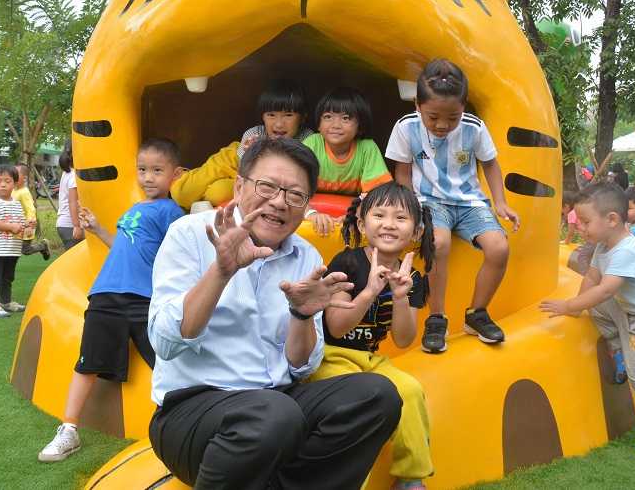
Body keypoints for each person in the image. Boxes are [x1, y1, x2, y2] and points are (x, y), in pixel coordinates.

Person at [144, 137, 401, 489]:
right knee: (274, 414)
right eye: (267, 186)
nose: (279, 202)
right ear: (239, 186)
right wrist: (221, 273)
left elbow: (302, 367)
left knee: (377, 395)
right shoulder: (190, 234)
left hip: (279, 407)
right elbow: (165, 342)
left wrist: (301, 316)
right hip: (193, 412)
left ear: (306, 204)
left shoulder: (306, 256)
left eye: (295, 195)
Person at [38, 138, 185, 463]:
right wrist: (98, 229)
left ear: (176, 174)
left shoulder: (172, 212)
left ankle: (183, 426)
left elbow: (178, 255)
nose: (148, 177)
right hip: (105, 293)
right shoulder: (134, 210)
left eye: (157, 171)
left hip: (145, 299)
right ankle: (69, 429)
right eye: (142, 170)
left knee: (170, 363)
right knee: (87, 363)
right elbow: (123, 246)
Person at [386, 59, 519, 353]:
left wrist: (500, 202)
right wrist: (410, 211)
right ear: (418, 105)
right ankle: (436, 318)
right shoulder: (406, 127)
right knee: (439, 242)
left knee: (499, 247)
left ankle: (477, 313)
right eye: (433, 117)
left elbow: (490, 164)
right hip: (428, 201)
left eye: (452, 117)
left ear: (463, 108)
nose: (442, 125)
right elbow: (402, 173)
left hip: (469, 202)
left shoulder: (474, 127)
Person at [540, 184, 635, 455]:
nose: (579, 227)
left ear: (612, 219)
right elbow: (592, 278)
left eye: (585, 222)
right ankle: (619, 352)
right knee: (595, 305)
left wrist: (568, 305)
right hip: (634, 310)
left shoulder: (626, 250)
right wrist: (576, 308)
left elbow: (605, 289)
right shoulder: (603, 246)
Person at [310, 182, 434, 490]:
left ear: (416, 231)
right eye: (379, 215)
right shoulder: (347, 262)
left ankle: (411, 478)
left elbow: (403, 339)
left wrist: (401, 296)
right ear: (362, 224)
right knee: (360, 400)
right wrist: (369, 292)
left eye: (401, 218)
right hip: (331, 357)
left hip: (369, 359)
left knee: (410, 390)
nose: (389, 224)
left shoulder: (413, 277)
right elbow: (336, 327)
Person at [171, 79, 313, 210]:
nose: (279, 124)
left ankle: (200, 197)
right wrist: (250, 152)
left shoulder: (308, 139)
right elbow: (243, 166)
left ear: (303, 117)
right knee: (183, 193)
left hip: (249, 178)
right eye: (271, 115)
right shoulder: (254, 134)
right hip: (234, 160)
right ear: (262, 116)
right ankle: (184, 176)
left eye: (288, 115)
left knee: (218, 193)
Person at [303, 86, 393, 235]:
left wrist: (357, 215)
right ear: (318, 124)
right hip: (311, 209)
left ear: (360, 126)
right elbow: (291, 188)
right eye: (328, 117)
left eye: (345, 118)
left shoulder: (367, 148)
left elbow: (379, 194)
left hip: (353, 211)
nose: (335, 125)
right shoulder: (312, 144)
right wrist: (310, 213)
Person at [0, 165, 32, 318]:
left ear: (15, 183)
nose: (3, 185)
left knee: (8, 278)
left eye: (7, 181)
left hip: (13, 249)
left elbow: (20, 223)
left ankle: (5, 302)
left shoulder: (17, 204)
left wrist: (27, 225)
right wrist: (11, 227)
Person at [14, 164, 51, 260]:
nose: (13, 175)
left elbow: (31, 209)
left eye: (16, 174)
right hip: (18, 224)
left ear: (24, 178)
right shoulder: (13, 191)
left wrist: (30, 223)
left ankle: (43, 246)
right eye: (12, 173)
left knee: (25, 250)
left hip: (28, 225)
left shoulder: (24, 192)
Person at [56, 144, 82, 252]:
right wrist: (76, 226)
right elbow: (73, 202)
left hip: (64, 224)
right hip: (70, 225)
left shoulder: (67, 172)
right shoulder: (74, 175)